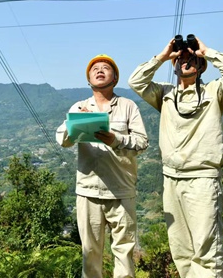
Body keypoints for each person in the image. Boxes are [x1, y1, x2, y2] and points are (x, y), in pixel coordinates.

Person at [128, 36, 223, 278]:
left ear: (201, 66)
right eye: (182, 58)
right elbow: (136, 81)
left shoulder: (214, 92)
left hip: (203, 179)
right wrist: (163, 56)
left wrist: (206, 51)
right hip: (171, 179)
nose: (186, 61)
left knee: (206, 249)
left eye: (191, 58)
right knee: (180, 250)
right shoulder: (165, 93)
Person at [56, 54, 149, 278]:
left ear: (115, 78)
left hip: (121, 190)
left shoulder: (128, 106)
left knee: (124, 252)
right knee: (90, 253)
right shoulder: (79, 107)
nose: (99, 70)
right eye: (95, 68)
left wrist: (115, 139)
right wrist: (76, 122)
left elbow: (142, 142)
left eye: (105, 68)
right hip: (88, 191)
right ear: (89, 79)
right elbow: (62, 140)